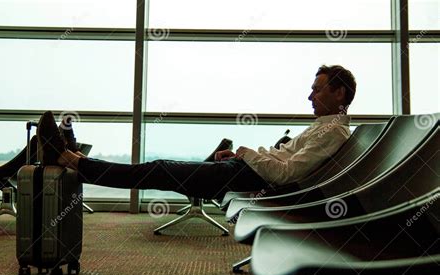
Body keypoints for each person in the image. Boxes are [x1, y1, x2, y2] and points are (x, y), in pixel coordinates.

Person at [37, 65, 356, 200]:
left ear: (339, 93)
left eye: (317, 90)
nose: (309, 97)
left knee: (158, 170)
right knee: (158, 170)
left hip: (248, 179)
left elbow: (286, 174)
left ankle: (72, 160)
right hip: (244, 172)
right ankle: (74, 159)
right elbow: (282, 159)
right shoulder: (325, 128)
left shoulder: (333, 134)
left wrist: (245, 153)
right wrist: (245, 155)